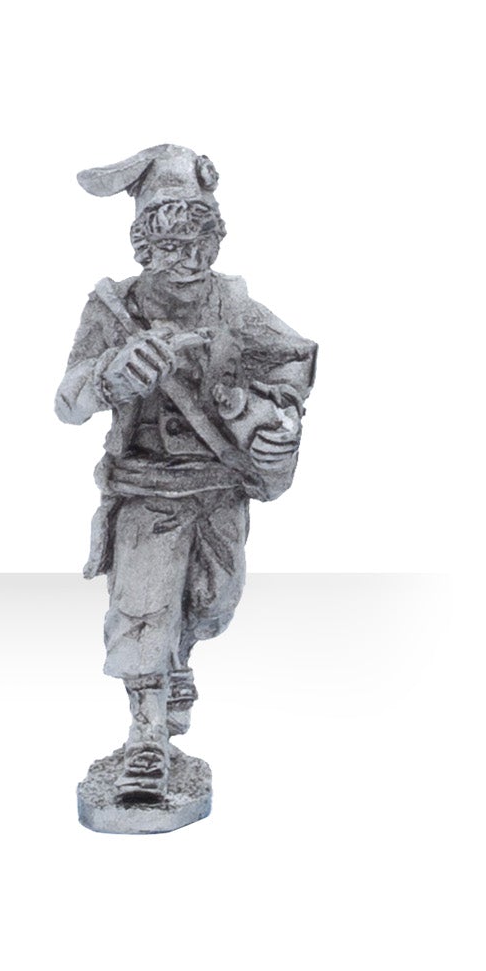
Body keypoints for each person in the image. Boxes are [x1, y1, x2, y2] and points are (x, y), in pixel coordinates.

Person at [55, 146, 316, 805]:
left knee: (212, 603)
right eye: (169, 242)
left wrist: (268, 411)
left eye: (199, 238)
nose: (187, 256)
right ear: (143, 243)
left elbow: (292, 359)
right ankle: (147, 734)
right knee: (143, 610)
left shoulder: (233, 305)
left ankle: (178, 661)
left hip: (219, 485)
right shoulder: (113, 309)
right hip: (146, 488)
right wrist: (111, 374)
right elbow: (68, 400)